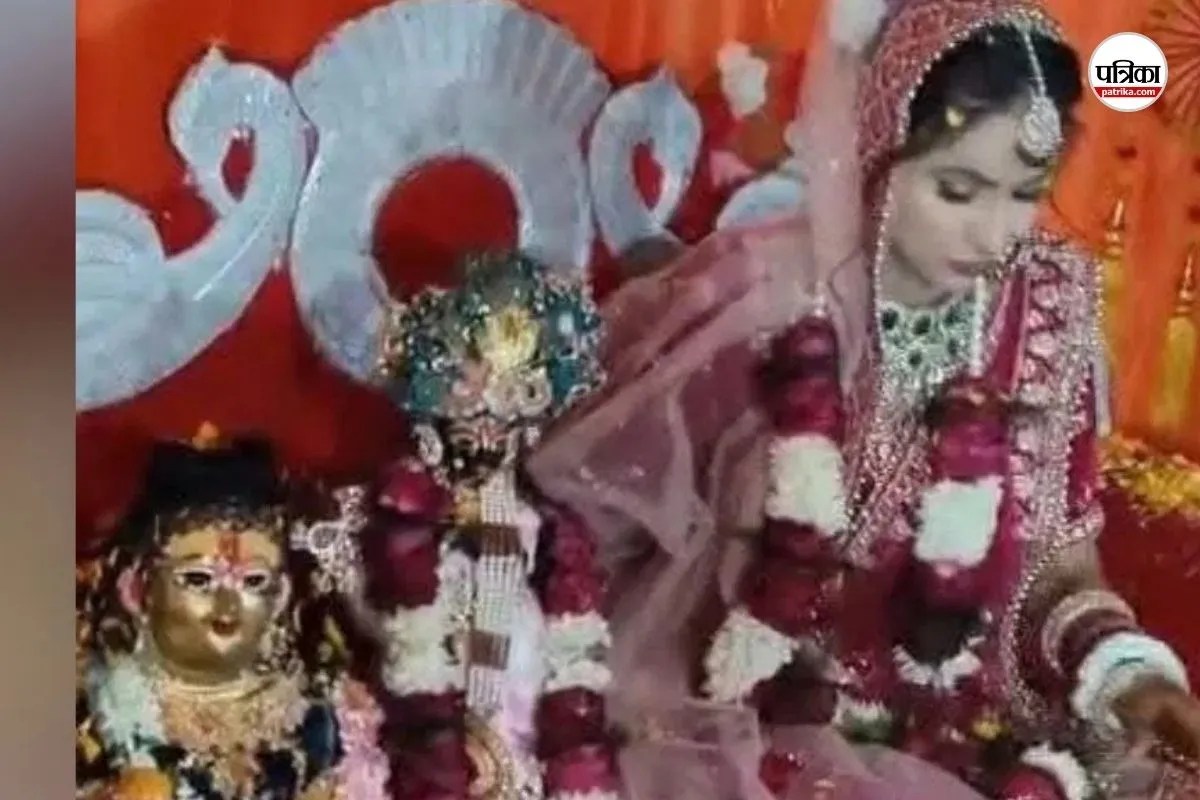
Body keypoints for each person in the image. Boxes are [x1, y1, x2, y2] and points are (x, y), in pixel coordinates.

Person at [526, 0, 1200, 797]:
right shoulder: (762, 301)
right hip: (739, 714)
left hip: (965, 725)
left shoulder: (1048, 313)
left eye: (1026, 193)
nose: (996, 236)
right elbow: (593, 516)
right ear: (878, 147)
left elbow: (1057, 572)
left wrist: (1128, 676)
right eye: (958, 190)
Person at [362, 252, 621, 800]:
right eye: (469, 420)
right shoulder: (402, 523)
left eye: (504, 418)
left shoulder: (542, 529)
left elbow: (572, 665)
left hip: (521, 749)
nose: (485, 437)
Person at [76, 430, 389, 800]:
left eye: (253, 581)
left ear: (280, 595)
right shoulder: (92, 717)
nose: (228, 606)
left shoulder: (321, 721)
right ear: (136, 589)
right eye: (198, 579)